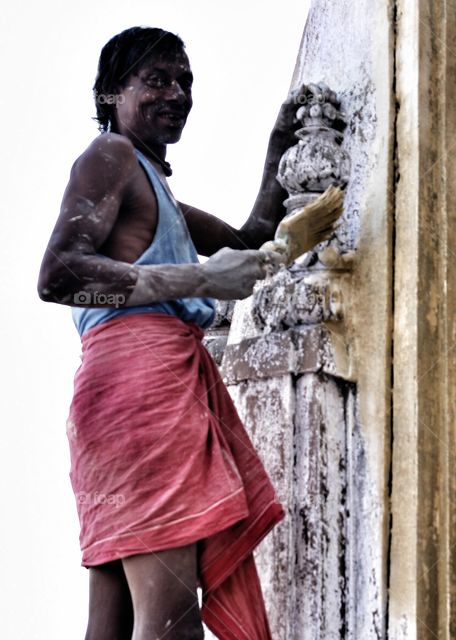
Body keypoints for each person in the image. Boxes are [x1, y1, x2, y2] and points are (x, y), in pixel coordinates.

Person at [37, 26, 303, 639]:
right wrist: (195, 279)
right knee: (172, 625)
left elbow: (248, 243)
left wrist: (278, 149)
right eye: (157, 79)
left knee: (114, 625)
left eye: (185, 82)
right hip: (140, 392)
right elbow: (61, 275)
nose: (177, 93)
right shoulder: (110, 157)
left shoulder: (160, 197)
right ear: (111, 94)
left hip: (120, 396)